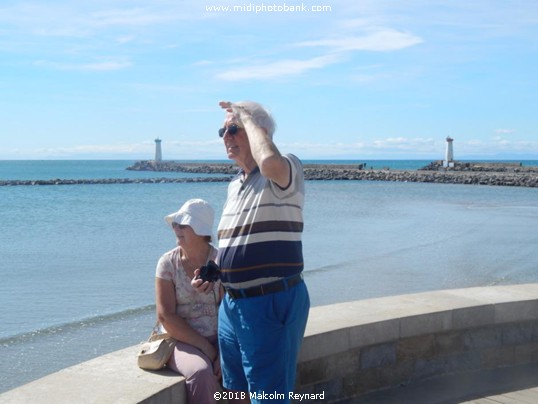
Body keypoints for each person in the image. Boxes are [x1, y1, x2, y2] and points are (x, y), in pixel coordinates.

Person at [194, 101, 310, 403]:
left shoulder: (285, 169)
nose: (225, 136)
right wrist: (216, 270)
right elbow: (238, 241)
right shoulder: (236, 185)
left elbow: (269, 161)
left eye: (234, 129)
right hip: (233, 305)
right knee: (236, 392)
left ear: (260, 132)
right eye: (223, 130)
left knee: (268, 396)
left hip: (269, 300)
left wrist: (246, 114)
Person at [155, 198, 223, 404]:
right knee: (200, 372)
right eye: (175, 223)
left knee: (238, 371)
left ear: (202, 231)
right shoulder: (167, 263)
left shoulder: (221, 260)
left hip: (220, 338)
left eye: (183, 224)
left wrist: (223, 349)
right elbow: (165, 316)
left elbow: (230, 308)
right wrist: (209, 350)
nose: (176, 228)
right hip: (180, 340)